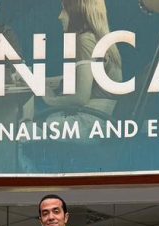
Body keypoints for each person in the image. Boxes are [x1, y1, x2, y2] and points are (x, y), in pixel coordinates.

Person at [43, 0, 122, 135]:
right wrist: (43, 81)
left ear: (77, 13)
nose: (60, 16)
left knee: (30, 128)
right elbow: (86, 78)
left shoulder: (84, 41)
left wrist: (50, 100)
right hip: (104, 118)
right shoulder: (98, 38)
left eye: (64, 10)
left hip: (91, 121)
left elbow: (81, 98)